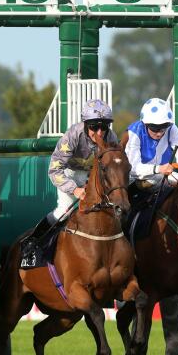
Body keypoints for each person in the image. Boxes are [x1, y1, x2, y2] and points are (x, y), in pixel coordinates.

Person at [124, 97, 178, 355]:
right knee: (124, 219)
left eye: (162, 126)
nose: (159, 131)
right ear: (145, 123)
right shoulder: (134, 132)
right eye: (154, 127)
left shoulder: (172, 130)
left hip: (162, 186)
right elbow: (130, 169)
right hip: (136, 187)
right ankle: (126, 256)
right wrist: (159, 169)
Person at [19, 99, 118, 265]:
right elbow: (54, 170)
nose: (100, 133)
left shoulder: (111, 137)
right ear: (86, 125)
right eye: (94, 127)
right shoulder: (73, 135)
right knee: (63, 212)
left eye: (104, 126)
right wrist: (75, 190)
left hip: (94, 178)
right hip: (69, 174)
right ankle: (34, 244)